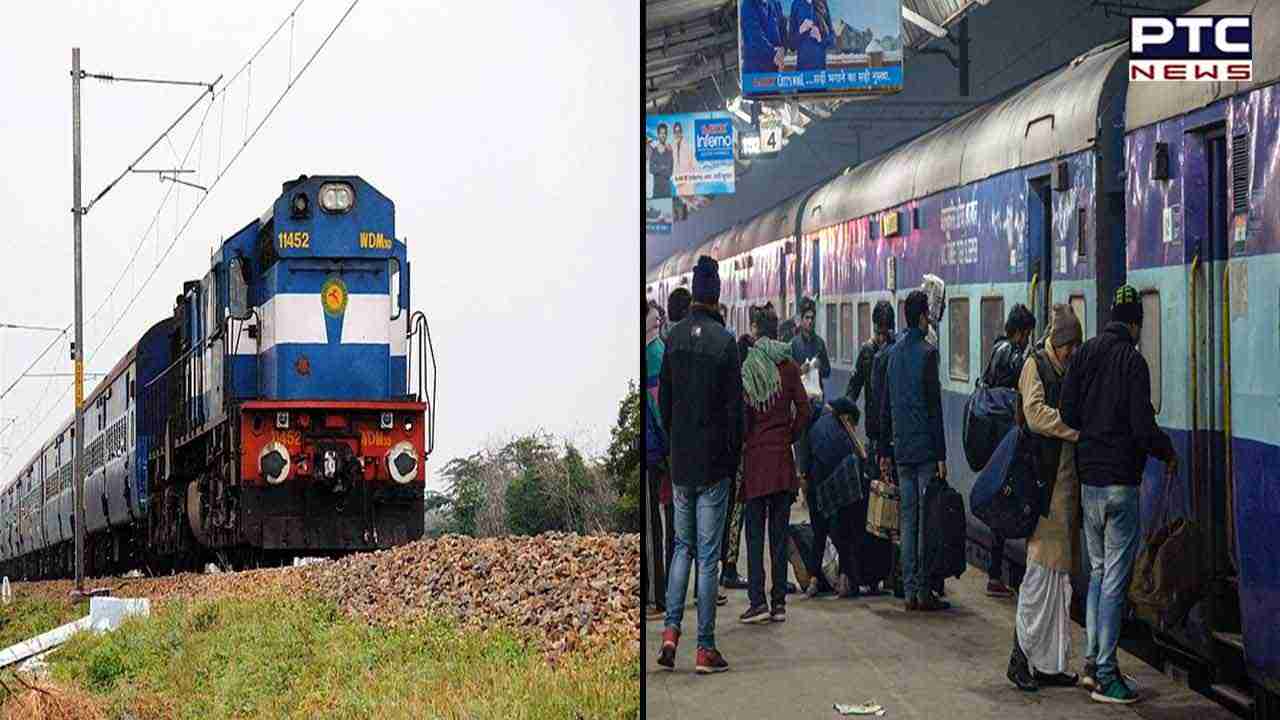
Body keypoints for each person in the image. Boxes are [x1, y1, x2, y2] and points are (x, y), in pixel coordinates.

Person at [1060, 285, 1178, 704]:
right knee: (1114, 579)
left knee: (1096, 574)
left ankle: (1093, 664)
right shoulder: (1133, 361)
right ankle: (1108, 675)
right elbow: (1144, 429)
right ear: (1135, 323)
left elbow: (1067, 412)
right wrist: (1166, 453)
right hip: (1119, 486)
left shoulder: (1086, 354)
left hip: (1090, 482)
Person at [658, 256, 743, 674]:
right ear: (718, 293)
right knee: (708, 558)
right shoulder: (725, 343)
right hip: (713, 468)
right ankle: (705, 648)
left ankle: (671, 634)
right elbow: (734, 417)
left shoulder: (672, 340)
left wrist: (677, 445)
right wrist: (731, 461)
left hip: (682, 464)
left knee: (682, 548)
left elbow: (665, 406)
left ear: (693, 292)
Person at [1007, 304, 1084, 692]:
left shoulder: (1067, 368)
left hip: (1066, 488)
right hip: (1045, 486)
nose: (1072, 352)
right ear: (1058, 341)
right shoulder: (1034, 366)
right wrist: (1074, 430)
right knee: (1039, 574)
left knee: (1058, 580)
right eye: (1069, 345)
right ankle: (1019, 658)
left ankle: (1050, 662)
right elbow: (1035, 414)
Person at [738, 306, 810, 624]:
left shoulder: (749, 367)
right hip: (781, 460)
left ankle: (757, 602)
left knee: (754, 535)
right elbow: (805, 409)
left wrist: (746, 441)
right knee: (778, 535)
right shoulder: (789, 366)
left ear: (755, 330)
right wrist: (789, 436)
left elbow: (741, 417)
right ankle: (779, 602)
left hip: (755, 461)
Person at [880, 290, 949, 612]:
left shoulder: (892, 353)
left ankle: (907, 590)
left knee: (907, 521)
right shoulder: (927, 353)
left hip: (901, 447)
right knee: (925, 520)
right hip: (923, 449)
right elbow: (934, 409)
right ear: (923, 317)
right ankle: (922, 590)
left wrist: (883, 447)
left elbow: (884, 403)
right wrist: (941, 455)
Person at [981, 303, 1037, 599]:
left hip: (996, 441)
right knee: (1009, 505)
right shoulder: (1010, 353)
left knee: (1001, 508)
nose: (1028, 340)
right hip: (1005, 442)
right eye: (1027, 334)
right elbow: (1023, 374)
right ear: (1020, 332)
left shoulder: (995, 348)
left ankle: (995, 573)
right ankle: (996, 574)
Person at [804, 397, 870, 597]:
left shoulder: (815, 424)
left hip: (818, 480)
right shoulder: (840, 428)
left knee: (819, 533)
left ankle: (813, 581)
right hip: (842, 480)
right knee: (845, 534)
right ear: (847, 417)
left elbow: (807, 462)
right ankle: (844, 580)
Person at [645, 300, 669, 622]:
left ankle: (655, 599)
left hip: (654, 451)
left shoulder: (654, 354)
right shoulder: (654, 352)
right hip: (656, 449)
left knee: (653, 528)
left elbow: (658, 406)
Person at [791, 297, 831, 396]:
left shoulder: (820, 343)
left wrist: (820, 366)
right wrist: (800, 371)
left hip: (816, 397)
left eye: (812, 318)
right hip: (799, 397)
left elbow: (827, 372)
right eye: (807, 318)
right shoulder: (793, 344)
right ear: (801, 319)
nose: (810, 321)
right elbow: (787, 375)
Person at [740, 0, 787, 74]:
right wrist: (774, 53)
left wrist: (783, 50)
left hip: (775, 67)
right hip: (755, 69)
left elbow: (783, 29)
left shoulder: (776, 3)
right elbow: (755, 36)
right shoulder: (748, 5)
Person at [789, 0, 833, 72]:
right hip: (802, 70)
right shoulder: (796, 4)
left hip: (820, 69)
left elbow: (832, 39)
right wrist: (801, 30)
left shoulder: (822, 3)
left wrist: (820, 39)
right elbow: (791, 45)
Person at [648, 124, 674, 199]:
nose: (663, 135)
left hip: (667, 191)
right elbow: (651, 169)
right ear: (658, 135)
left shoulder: (669, 152)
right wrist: (663, 167)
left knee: (667, 210)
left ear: (666, 135)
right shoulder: (653, 151)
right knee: (656, 210)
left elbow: (669, 172)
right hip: (656, 191)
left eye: (664, 133)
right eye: (661, 133)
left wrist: (658, 167)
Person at [672, 122, 696, 196]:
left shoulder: (688, 146)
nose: (677, 134)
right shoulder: (672, 147)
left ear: (681, 132)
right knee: (681, 202)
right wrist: (675, 181)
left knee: (690, 202)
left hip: (688, 183)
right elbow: (672, 167)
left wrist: (689, 179)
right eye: (675, 132)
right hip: (678, 184)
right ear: (673, 134)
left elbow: (694, 164)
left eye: (679, 131)